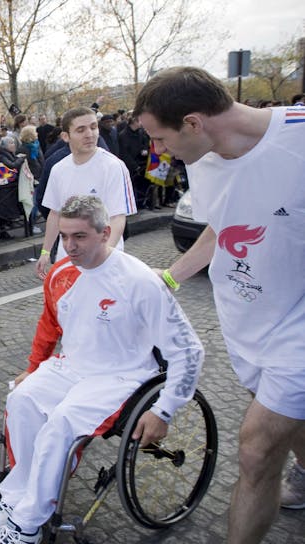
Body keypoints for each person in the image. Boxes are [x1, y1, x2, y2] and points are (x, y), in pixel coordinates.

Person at [134, 66, 305, 542]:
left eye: (160, 138)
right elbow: (222, 226)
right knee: (290, 427)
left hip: (299, 329)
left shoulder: (299, 140)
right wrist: (171, 275)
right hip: (247, 327)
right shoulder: (202, 155)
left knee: (255, 449)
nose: (160, 151)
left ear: (193, 122)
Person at [0, 195, 204, 544]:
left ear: (104, 233)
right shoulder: (60, 273)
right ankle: (17, 495)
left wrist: (165, 410)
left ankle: (29, 522)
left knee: (61, 423)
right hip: (72, 366)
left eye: (80, 236)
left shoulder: (140, 281)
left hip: (121, 375)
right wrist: (34, 367)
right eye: (64, 236)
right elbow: (49, 324)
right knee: (21, 400)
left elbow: (189, 349)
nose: (69, 246)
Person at [35, 107, 136, 280]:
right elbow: (55, 213)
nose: (90, 134)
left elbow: (118, 217)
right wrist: (45, 251)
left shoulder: (113, 166)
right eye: (80, 130)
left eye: (93, 127)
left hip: (104, 261)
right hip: (67, 260)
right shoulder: (58, 169)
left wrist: (103, 256)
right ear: (66, 136)